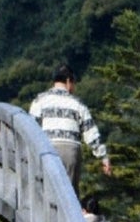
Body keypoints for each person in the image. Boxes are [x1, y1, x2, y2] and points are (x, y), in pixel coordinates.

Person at [27, 66, 112, 195]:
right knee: (69, 194)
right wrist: (103, 157)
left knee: (47, 192)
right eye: (74, 83)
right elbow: (91, 133)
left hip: (46, 149)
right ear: (68, 81)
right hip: (70, 151)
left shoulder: (40, 100)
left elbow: (30, 128)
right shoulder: (77, 103)